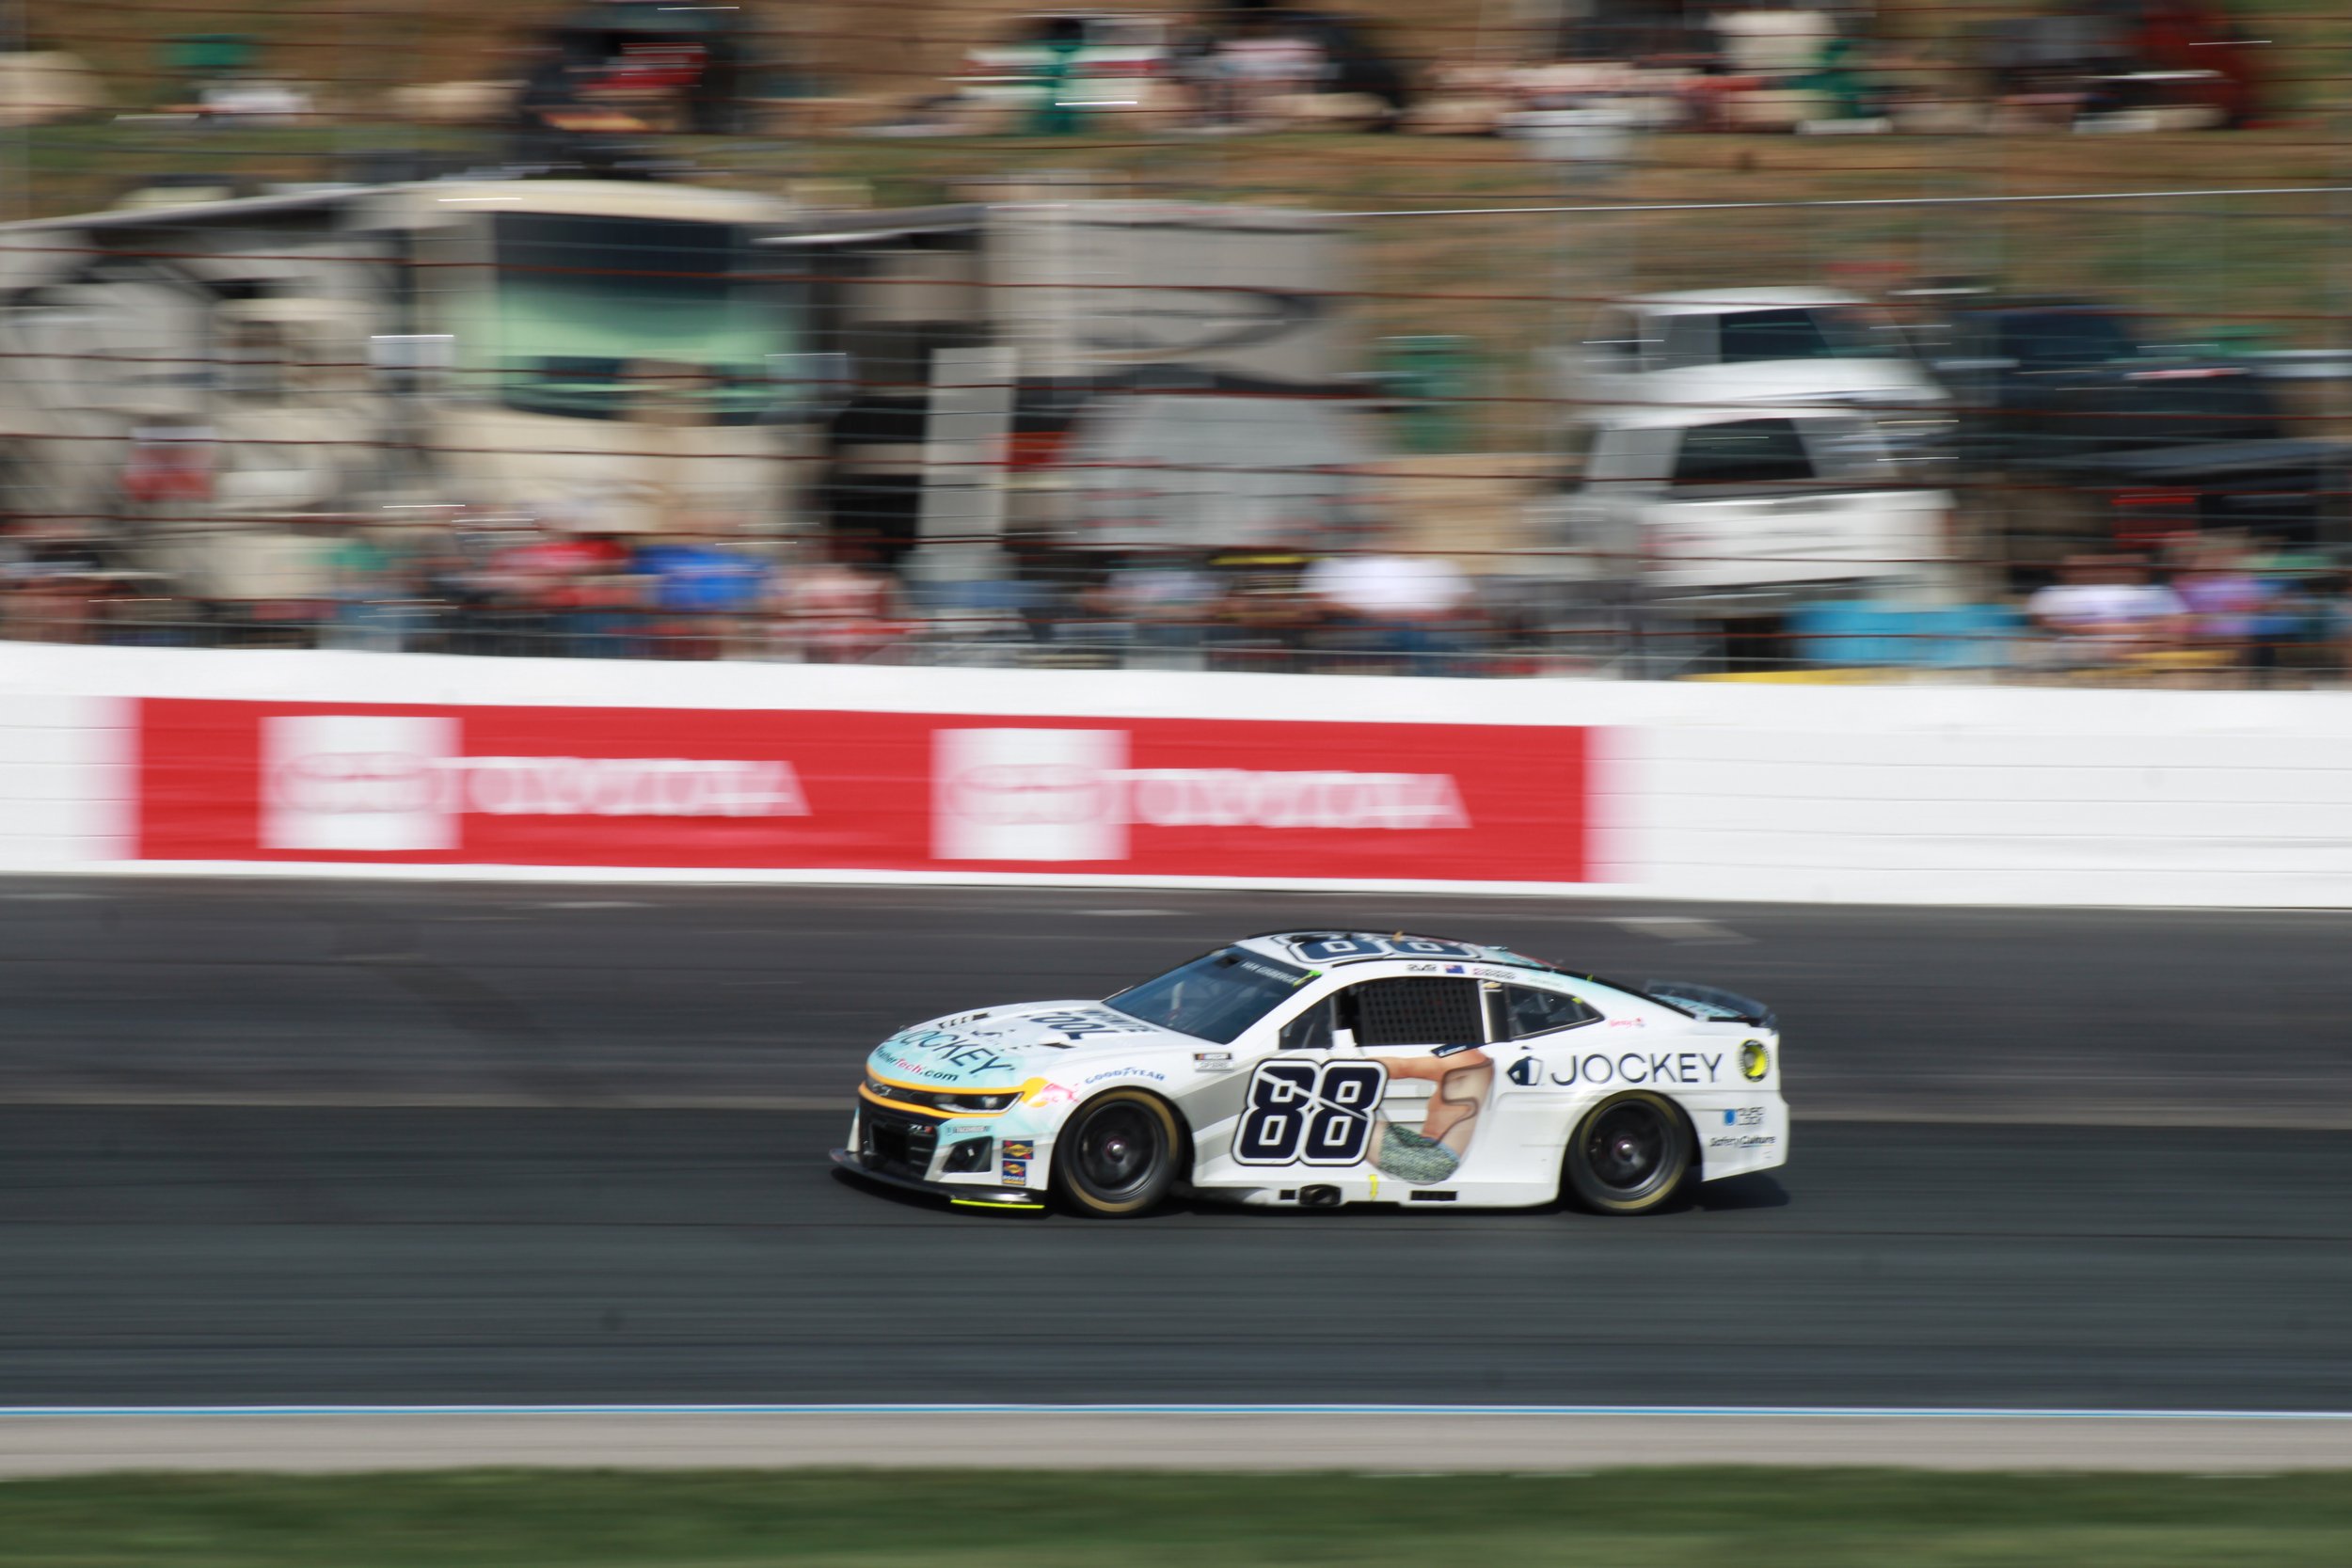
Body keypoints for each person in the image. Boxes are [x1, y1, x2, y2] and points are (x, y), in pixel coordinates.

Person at [2025, 551, 2186, 669]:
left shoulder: (2159, 593)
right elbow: (2046, 626)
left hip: (2141, 653)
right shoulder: (2051, 595)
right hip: (2081, 653)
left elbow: (2178, 626)